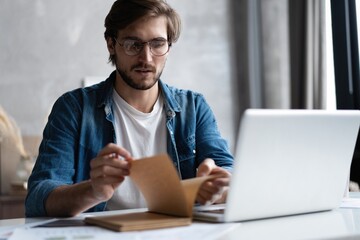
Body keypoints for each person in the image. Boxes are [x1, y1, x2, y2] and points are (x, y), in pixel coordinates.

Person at [25, 0, 233, 217]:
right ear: (111, 44)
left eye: (157, 44)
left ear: (169, 47)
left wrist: (217, 187)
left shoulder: (194, 108)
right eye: (133, 44)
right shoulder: (74, 109)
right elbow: (38, 197)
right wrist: (93, 191)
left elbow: (228, 172)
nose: (146, 58)